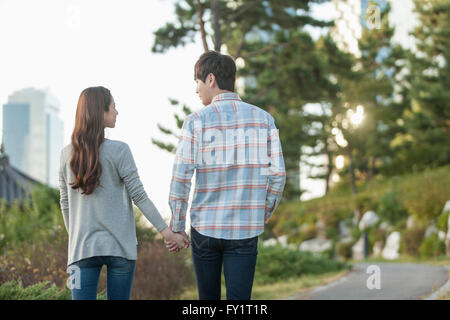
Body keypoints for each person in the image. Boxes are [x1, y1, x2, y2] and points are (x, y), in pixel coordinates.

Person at [165, 51, 286, 300]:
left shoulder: (195, 121)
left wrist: (177, 226)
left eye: (197, 82)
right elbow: (278, 175)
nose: (196, 89)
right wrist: (260, 213)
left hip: (205, 228)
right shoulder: (264, 120)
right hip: (246, 228)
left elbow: (181, 177)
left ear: (210, 79)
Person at [58, 86, 189, 300]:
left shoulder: (66, 154)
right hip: (120, 250)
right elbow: (139, 196)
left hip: (79, 252)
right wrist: (167, 233)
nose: (117, 112)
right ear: (101, 112)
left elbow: (65, 203)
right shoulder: (120, 150)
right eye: (113, 107)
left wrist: (75, 238)